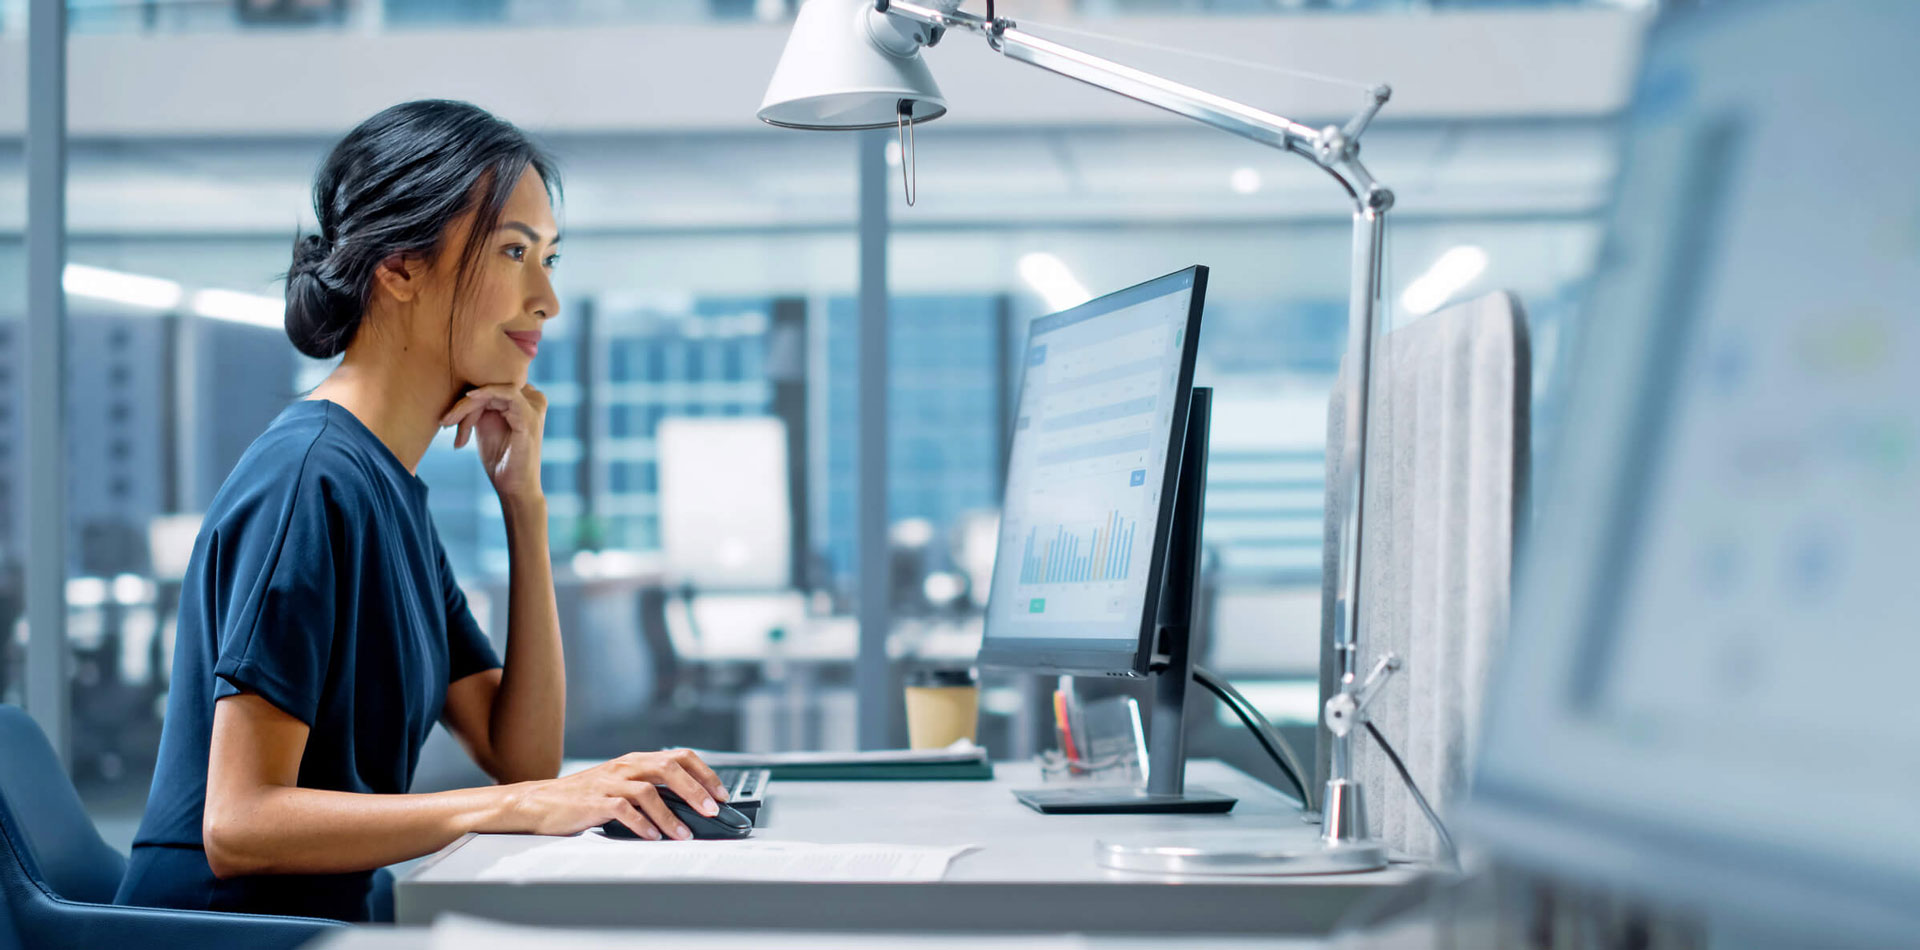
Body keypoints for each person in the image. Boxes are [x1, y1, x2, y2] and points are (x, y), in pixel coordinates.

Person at [115, 100, 727, 924]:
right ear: (400, 269)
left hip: (327, 925)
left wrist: (525, 506)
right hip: (227, 938)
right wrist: (511, 808)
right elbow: (240, 821)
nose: (546, 299)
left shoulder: (386, 488)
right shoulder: (309, 482)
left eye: (548, 258)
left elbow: (521, 755)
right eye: (515, 252)